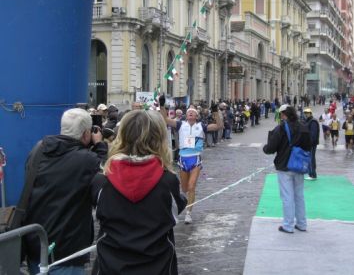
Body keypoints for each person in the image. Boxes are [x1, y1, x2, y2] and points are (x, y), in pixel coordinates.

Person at [93, 110, 187, 275]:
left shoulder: (102, 181)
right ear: (158, 138)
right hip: (158, 266)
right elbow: (174, 210)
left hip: (111, 265)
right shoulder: (168, 181)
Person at [23, 108, 108, 275]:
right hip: (66, 251)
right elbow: (104, 177)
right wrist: (99, 145)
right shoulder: (87, 160)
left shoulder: (39, 149)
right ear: (86, 134)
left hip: (36, 245)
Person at [159, 95, 222, 224]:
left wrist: (215, 111)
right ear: (186, 116)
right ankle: (185, 203)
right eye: (189, 113)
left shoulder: (201, 126)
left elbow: (219, 126)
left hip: (195, 159)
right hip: (183, 159)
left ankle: (188, 213)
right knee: (184, 188)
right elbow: (164, 119)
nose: (191, 114)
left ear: (196, 116)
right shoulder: (180, 124)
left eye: (193, 113)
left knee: (192, 186)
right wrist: (162, 104)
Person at [263, 105, 312, 233]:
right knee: (299, 196)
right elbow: (309, 145)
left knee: (287, 196)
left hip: (285, 165)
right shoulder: (303, 126)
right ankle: (302, 224)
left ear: (284, 115)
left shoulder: (281, 128)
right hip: (299, 165)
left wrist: (265, 148)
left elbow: (271, 148)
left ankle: (288, 225)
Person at [303, 108, 319, 180]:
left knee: (311, 159)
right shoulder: (308, 121)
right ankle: (310, 174)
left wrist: (311, 143)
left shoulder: (313, 121)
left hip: (311, 144)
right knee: (309, 158)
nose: (306, 114)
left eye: (307, 113)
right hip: (308, 143)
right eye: (305, 113)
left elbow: (313, 134)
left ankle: (313, 174)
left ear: (310, 113)